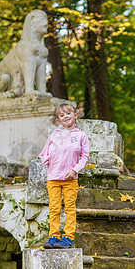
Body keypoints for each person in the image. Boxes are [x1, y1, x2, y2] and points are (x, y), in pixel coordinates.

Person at [39, 103, 90, 249]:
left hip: (70, 179)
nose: (65, 116)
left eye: (68, 113)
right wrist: (48, 160)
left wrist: (75, 170)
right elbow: (44, 152)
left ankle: (68, 237)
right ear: (58, 120)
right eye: (61, 115)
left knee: (69, 208)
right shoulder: (55, 135)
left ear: (76, 114)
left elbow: (85, 156)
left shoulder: (81, 136)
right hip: (53, 178)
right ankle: (54, 236)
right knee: (54, 208)